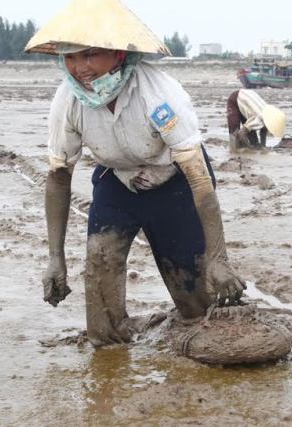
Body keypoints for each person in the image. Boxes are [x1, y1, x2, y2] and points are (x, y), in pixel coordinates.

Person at [26, 0, 245, 346]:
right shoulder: (67, 100)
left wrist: (219, 259)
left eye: (89, 55)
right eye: (69, 57)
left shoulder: (160, 97)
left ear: (117, 55)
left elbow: (200, 180)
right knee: (100, 280)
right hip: (117, 184)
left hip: (175, 185)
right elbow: (58, 177)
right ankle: (109, 359)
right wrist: (55, 258)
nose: (79, 68)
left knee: (194, 300)